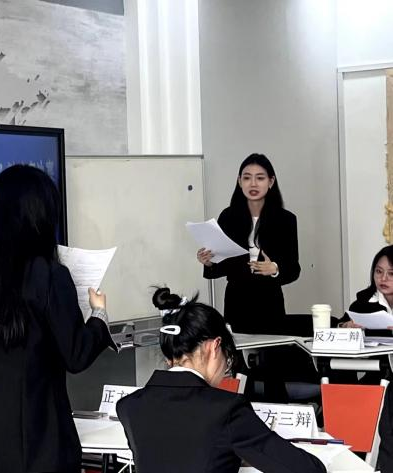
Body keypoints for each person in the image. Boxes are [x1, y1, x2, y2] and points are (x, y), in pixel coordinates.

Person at [0, 164, 116, 473]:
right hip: (34, 451)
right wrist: (98, 314)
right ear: (40, 218)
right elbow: (76, 355)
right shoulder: (49, 276)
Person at [116, 287, 326, 473]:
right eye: (228, 357)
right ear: (214, 346)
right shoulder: (227, 410)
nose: (226, 368)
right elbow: (306, 469)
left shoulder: (129, 406)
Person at [197, 153, 300, 335]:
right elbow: (222, 265)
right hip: (236, 300)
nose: (253, 184)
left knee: (272, 349)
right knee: (237, 349)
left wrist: (275, 269)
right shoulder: (228, 217)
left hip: (270, 301)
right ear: (239, 181)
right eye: (247, 178)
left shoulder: (285, 220)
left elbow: (293, 269)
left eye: (260, 178)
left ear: (271, 181)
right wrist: (209, 262)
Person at [339, 245, 393, 335]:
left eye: (391, 273)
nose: (383, 278)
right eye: (379, 271)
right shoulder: (362, 303)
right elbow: (339, 325)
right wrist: (344, 326)